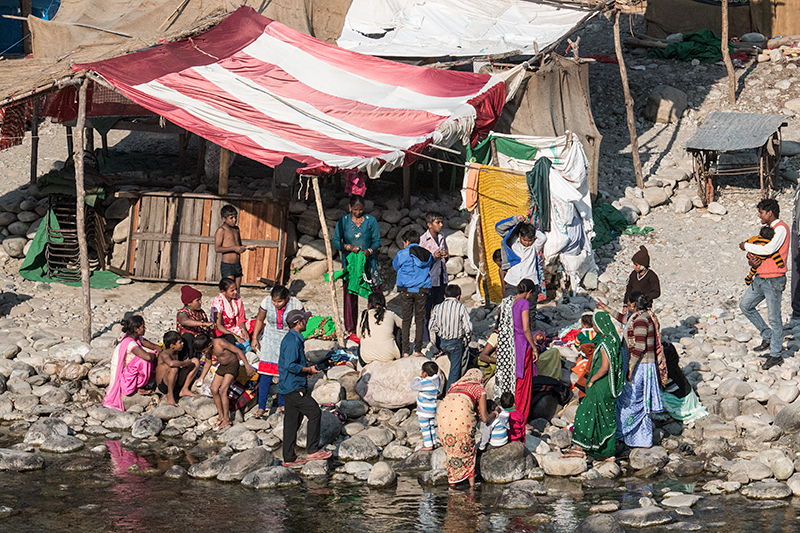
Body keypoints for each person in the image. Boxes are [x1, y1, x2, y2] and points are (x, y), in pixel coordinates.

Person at [598, 292, 665, 449]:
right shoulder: (637, 316)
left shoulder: (641, 320)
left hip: (641, 366)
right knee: (636, 400)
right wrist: (606, 308)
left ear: (634, 305)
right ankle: (638, 439)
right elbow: (624, 320)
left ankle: (623, 432)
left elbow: (640, 347)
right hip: (638, 364)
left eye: (628, 305)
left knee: (633, 400)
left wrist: (630, 367)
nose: (626, 307)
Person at [739, 198, 789, 370]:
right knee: (746, 305)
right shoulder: (770, 230)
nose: (759, 215)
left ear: (769, 212)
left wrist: (746, 246)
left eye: (761, 212)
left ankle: (776, 354)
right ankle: (767, 335)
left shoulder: (781, 228)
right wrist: (752, 261)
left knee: (775, 318)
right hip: (761, 277)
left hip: (774, 279)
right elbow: (762, 252)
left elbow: (769, 250)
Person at [278, 309, 333, 466]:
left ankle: (289, 458)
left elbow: (293, 364)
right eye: (304, 320)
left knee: (292, 422)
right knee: (314, 412)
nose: (307, 322)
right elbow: (290, 365)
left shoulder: (291, 338)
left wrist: (306, 371)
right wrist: (308, 370)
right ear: (298, 323)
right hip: (294, 387)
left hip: (288, 385)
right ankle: (312, 450)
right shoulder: (293, 341)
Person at [571, 311, 624, 460]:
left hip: (600, 385)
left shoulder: (606, 343)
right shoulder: (614, 339)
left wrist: (592, 380)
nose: (593, 328)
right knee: (606, 418)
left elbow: (604, 367)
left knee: (584, 413)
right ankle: (607, 453)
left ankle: (579, 448)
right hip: (610, 386)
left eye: (595, 325)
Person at [436, 369, 498, 488]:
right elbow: (485, 418)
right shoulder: (479, 388)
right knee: (467, 446)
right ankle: (471, 486)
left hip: (442, 412)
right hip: (461, 413)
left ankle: (452, 483)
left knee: (451, 448)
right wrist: (495, 414)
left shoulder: (454, 385)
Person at [250, 285, 303, 418]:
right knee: (265, 374)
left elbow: (302, 323)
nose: (276, 304)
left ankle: (282, 404)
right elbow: (260, 319)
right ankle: (261, 407)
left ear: (286, 299)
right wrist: (254, 337)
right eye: (274, 301)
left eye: (279, 301)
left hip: (287, 339)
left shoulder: (296, 303)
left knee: (283, 373)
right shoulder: (266, 302)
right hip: (269, 338)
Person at [332, 195, 382, 335]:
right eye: (355, 210)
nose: (358, 213)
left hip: (369, 263)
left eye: (360, 210)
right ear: (350, 208)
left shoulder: (370, 221)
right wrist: (348, 247)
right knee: (350, 294)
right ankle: (351, 329)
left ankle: (378, 322)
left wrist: (369, 251)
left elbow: (377, 241)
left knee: (375, 292)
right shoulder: (343, 222)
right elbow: (336, 241)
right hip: (351, 263)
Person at [195, 334, 256, 430]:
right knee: (213, 389)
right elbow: (208, 362)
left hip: (232, 365)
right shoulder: (208, 349)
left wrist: (247, 366)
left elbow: (239, 351)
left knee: (223, 390)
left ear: (210, 345)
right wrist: (201, 378)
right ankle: (221, 416)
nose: (203, 353)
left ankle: (227, 419)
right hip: (223, 366)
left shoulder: (221, 343)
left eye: (204, 351)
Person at [393, 228, 434, 357]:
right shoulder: (427, 254)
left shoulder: (402, 254)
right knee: (420, 320)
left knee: (406, 320)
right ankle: (417, 350)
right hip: (422, 290)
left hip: (406, 291)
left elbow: (395, 266)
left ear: (406, 241)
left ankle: (405, 351)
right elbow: (430, 265)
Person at [104, 315, 159, 411]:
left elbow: (154, 346)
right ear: (136, 329)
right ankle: (138, 386)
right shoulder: (130, 343)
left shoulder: (137, 338)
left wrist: (158, 349)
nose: (145, 328)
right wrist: (155, 354)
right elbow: (147, 357)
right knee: (144, 360)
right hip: (125, 378)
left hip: (129, 373)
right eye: (143, 326)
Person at [509, 279, 539, 441]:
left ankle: (513, 414)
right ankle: (521, 418)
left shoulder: (511, 301)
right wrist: (534, 347)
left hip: (512, 344)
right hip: (522, 344)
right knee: (523, 383)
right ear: (529, 292)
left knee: (515, 382)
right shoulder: (524, 304)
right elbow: (526, 328)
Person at [429, 284, 473, 389]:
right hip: (455, 342)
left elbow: (431, 326)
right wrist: (468, 336)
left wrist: (440, 331)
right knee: (455, 369)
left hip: (443, 342)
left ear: (445, 296)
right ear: (458, 296)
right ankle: (450, 392)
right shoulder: (460, 307)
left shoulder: (437, 307)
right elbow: (469, 327)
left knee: (451, 365)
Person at [495, 215, 547, 297]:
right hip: (513, 282)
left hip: (530, 283)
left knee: (529, 309)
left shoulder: (534, 247)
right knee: (509, 307)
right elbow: (499, 228)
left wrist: (529, 229)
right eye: (524, 240)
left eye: (530, 240)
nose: (527, 243)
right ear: (519, 235)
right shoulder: (513, 242)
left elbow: (543, 237)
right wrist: (516, 221)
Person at [658, 342, 708, 424]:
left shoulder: (667, 373)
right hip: (688, 396)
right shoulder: (674, 368)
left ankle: (674, 416)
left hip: (683, 402)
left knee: (656, 395)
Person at [420, 212, 449, 343]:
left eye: (441, 222)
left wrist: (445, 255)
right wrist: (433, 257)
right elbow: (420, 262)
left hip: (441, 279)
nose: (441, 225)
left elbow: (446, 258)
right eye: (438, 223)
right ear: (429, 225)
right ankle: (425, 342)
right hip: (429, 281)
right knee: (426, 312)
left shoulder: (442, 236)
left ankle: (439, 342)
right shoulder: (423, 240)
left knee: (440, 313)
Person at [214, 204, 254, 290]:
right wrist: (233, 248)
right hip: (227, 265)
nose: (234, 220)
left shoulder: (236, 229)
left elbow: (239, 246)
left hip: (237, 264)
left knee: (237, 291)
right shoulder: (222, 230)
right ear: (224, 219)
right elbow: (217, 248)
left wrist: (246, 248)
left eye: (235, 217)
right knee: (229, 291)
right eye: (231, 218)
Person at [155, 331, 199, 406]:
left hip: (174, 381)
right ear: (172, 346)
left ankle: (184, 389)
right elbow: (171, 363)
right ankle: (170, 395)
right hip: (164, 385)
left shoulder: (177, 352)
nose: (183, 344)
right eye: (180, 342)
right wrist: (184, 363)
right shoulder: (164, 354)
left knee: (195, 361)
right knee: (174, 368)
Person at [358, 292, 402, 365]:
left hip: (366, 359)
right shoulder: (390, 314)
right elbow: (404, 325)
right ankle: (397, 354)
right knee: (398, 329)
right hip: (389, 357)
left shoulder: (363, 315)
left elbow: (358, 335)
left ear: (369, 305)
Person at [211, 277, 251, 349]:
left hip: (234, 327)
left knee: (254, 324)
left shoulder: (237, 298)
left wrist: (243, 330)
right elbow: (218, 325)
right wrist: (236, 337)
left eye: (236, 289)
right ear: (223, 292)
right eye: (232, 290)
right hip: (222, 330)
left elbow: (241, 319)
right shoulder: (218, 301)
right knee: (227, 337)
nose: (235, 292)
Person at [176, 285, 214, 360]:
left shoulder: (201, 313)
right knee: (188, 336)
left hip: (201, 342)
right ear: (189, 303)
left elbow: (208, 330)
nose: (200, 302)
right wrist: (203, 324)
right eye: (197, 300)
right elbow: (184, 321)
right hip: (190, 343)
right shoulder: (183, 312)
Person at [410, 361, 442, 451]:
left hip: (424, 410)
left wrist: (418, 378)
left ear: (425, 373)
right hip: (432, 409)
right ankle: (434, 443)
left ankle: (428, 445)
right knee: (431, 426)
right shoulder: (437, 381)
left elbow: (413, 386)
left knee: (425, 427)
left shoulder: (425, 383)